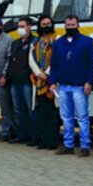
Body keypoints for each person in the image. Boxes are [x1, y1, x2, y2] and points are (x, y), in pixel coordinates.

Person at [48, 14, 93, 157]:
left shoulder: (87, 42)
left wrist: (89, 81)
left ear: (78, 25)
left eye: (72, 25)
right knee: (66, 117)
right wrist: (52, 82)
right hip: (63, 86)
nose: (70, 28)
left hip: (80, 86)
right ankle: (68, 145)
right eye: (68, 25)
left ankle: (85, 146)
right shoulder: (58, 43)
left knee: (82, 117)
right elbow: (54, 64)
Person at [3, 17, 35, 144]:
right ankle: (21, 135)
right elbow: (11, 61)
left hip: (27, 81)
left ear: (29, 27)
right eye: (19, 26)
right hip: (15, 82)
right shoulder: (15, 43)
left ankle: (33, 135)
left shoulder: (34, 42)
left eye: (22, 26)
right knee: (18, 110)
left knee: (30, 109)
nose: (20, 29)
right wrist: (8, 75)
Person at [29, 15, 58, 150]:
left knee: (52, 112)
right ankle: (41, 140)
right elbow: (31, 58)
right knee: (41, 111)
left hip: (51, 80)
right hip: (39, 80)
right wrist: (39, 73)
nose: (46, 25)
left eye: (48, 23)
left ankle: (51, 141)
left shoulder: (57, 40)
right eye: (43, 24)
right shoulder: (35, 42)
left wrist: (47, 73)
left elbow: (57, 59)